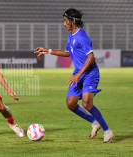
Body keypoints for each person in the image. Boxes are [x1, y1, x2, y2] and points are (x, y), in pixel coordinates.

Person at [34, 8, 114, 143]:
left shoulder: (82, 37)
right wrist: (48, 50)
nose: (64, 24)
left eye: (66, 21)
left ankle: (107, 131)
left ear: (73, 21)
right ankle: (94, 122)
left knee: (86, 103)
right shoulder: (71, 35)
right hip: (78, 73)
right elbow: (68, 53)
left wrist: (78, 75)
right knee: (71, 103)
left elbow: (91, 57)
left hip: (90, 73)